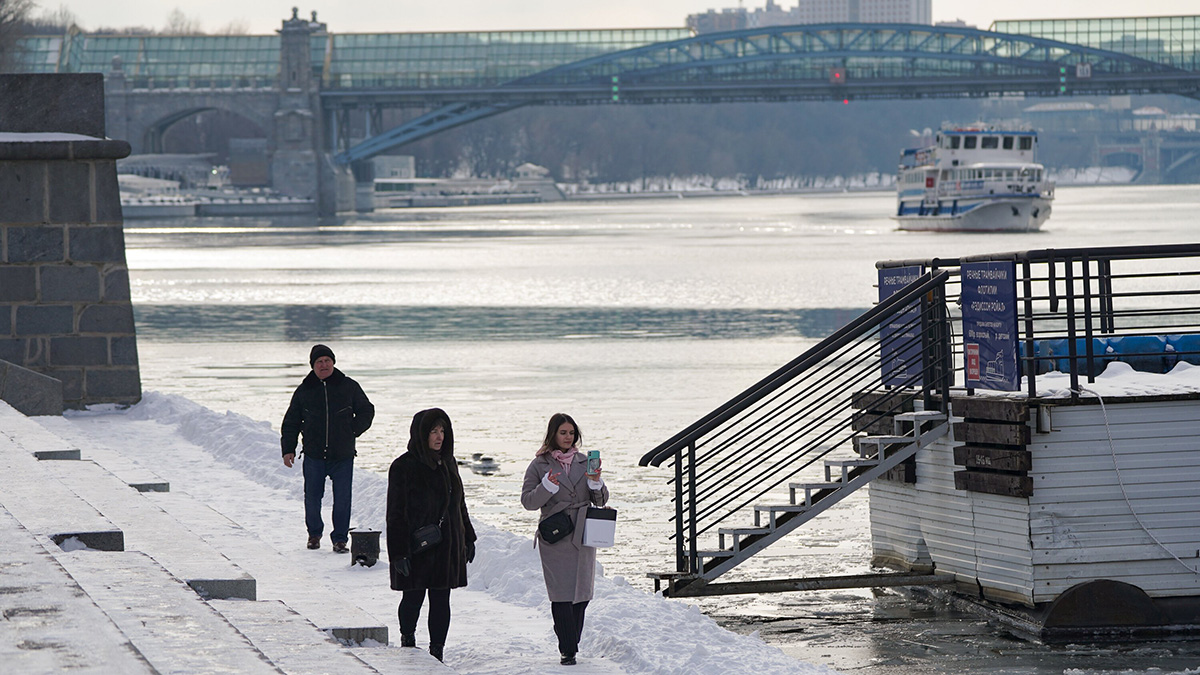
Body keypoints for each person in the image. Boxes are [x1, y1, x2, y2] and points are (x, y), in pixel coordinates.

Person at [387, 408, 477, 663]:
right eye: (433, 431)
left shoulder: (448, 462)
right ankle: (408, 640)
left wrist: (468, 537)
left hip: (447, 544)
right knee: (413, 596)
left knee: (441, 599)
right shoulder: (403, 467)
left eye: (442, 431)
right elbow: (395, 514)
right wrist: (399, 553)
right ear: (420, 434)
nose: (439, 437)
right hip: (417, 546)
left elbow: (459, 503)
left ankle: (437, 652)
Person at [521, 413, 609, 666]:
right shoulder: (539, 465)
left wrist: (595, 483)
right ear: (553, 435)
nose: (568, 437)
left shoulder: (584, 462)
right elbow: (528, 502)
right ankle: (567, 649)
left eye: (571, 433)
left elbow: (601, 501)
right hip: (555, 534)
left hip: (583, 533)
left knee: (581, 593)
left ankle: (572, 642)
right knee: (561, 593)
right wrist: (546, 486)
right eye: (563, 433)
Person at [281, 344, 375, 554]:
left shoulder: (348, 386)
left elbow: (367, 410)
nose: (324, 365)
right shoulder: (304, 390)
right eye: (319, 362)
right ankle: (314, 535)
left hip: (342, 455)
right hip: (314, 455)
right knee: (312, 497)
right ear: (313, 366)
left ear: (333, 362)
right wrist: (288, 449)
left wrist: (352, 430)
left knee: (343, 499)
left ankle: (340, 539)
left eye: (327, 361)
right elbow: (291, 422)